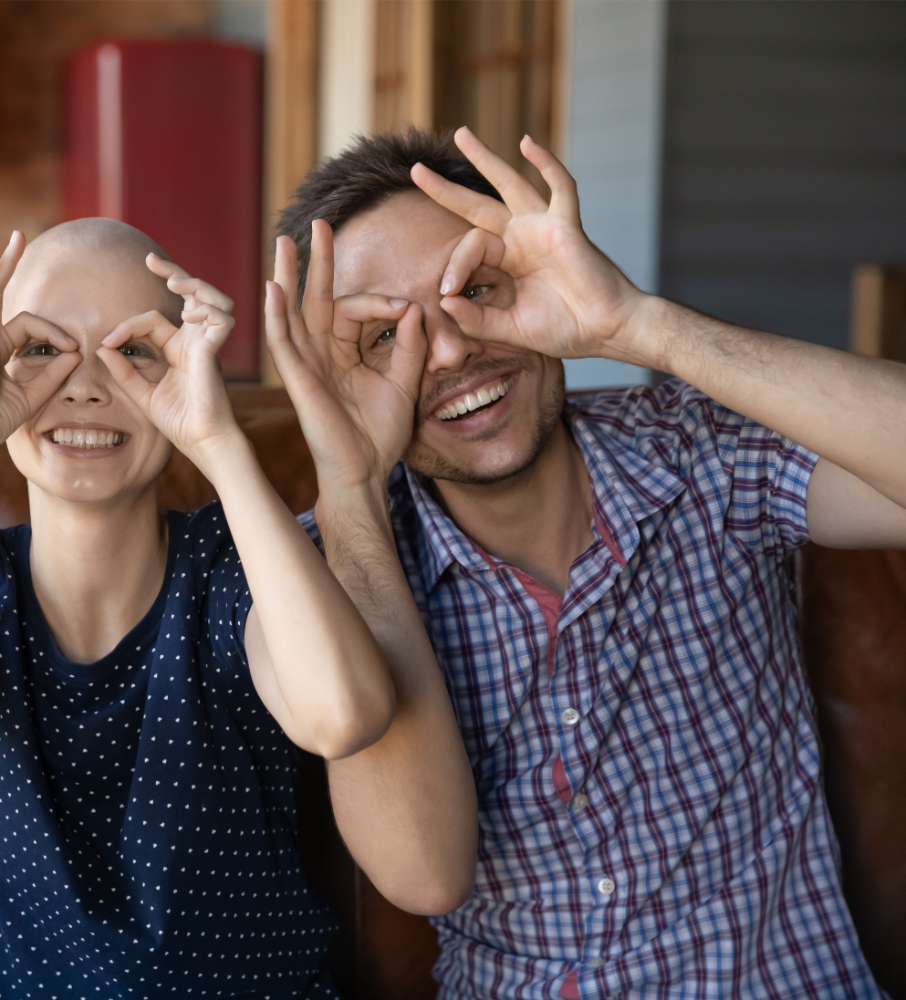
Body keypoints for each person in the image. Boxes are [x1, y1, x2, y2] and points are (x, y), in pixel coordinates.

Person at [265, 125, 904, 998]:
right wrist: (349, 485)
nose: (449, 351)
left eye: (475, 291)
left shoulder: (698, 452)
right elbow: (423, 875)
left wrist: (635, 324)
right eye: (384, 338)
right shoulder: (318, 572)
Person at [0, 218, 478, 998]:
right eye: (40, 349)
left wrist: (216, 440)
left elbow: (344, 715)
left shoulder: (235, 564)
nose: (85, 386)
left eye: (135, 350)